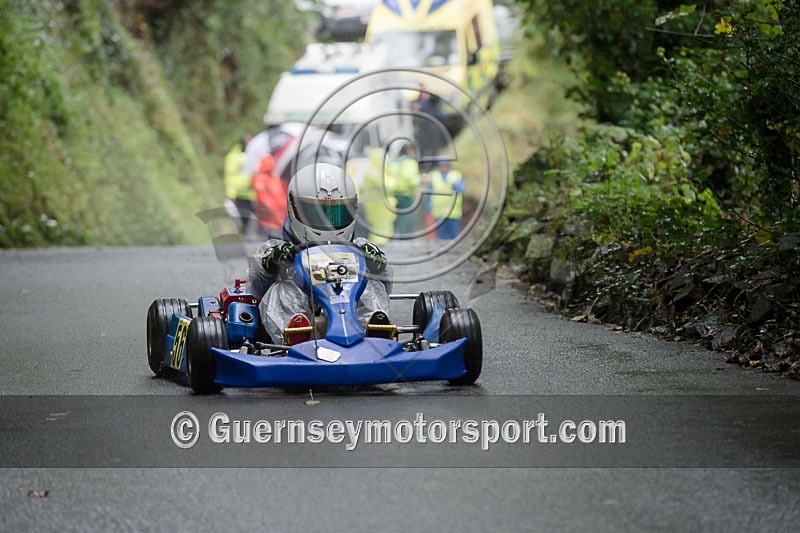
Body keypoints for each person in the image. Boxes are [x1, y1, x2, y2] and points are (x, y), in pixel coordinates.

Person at [247, 163, 392, 344]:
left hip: (349, 308)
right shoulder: (280, 248)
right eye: (315, 213)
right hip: (305, 320)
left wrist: (377, 263)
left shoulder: (359, 247)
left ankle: (374, 332)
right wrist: (272, 262)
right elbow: (254, 287)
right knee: (281, 290)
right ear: (294, 208)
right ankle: (295, 336)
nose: (327, 223)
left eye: (336, 214)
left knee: (372, 285)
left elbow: (387, 284)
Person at [386, 143, 421, 238]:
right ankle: (406, 239)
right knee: (407, 218)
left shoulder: (394, 162)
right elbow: (409, 179)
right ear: (409, 150)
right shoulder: (410, 163)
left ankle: (393, 237)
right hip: (406, 194)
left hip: (394, 193)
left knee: (395, 218)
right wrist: (421, 179)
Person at [251, 153, 288, 239]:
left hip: (280, 214)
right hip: (269, 215)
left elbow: (281, 192)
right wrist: (274, 209)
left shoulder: (273, 176)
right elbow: (263, 197)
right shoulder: (259, 178)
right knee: (271, 239)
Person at [428, 158, 465, 240]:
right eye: (441, 165)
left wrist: (456, 185)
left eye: (445, 165)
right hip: (439, 213)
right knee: (441, 238)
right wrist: (428, 206)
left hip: (453, 213)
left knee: (453, 237)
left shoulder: (456, 175)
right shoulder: (434, 175)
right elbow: (428, 192)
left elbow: (462, 189)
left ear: (449, 166)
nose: (443, 167)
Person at [223, 135, 254, 231]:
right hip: (240, 194)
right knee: (244, 221)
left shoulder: (254, 154)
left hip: (253, 194)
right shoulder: (234, 156)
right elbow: (230, 175)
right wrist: (230, 192)